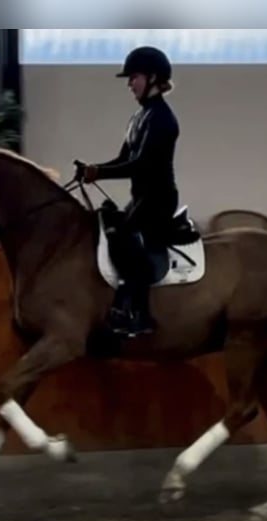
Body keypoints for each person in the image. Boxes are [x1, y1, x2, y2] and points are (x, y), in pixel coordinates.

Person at [75, 45, 181, 338]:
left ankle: (139, 313)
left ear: (153, 78)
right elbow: (124, 160)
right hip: (141, 199)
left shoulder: (163, 119)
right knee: (107, 228)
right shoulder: (138, 118)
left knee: (123, 240)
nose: (129, 83)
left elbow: (142, 165)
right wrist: (92, 169)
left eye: (134, 77)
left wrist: (100, 173)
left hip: (158, 200)